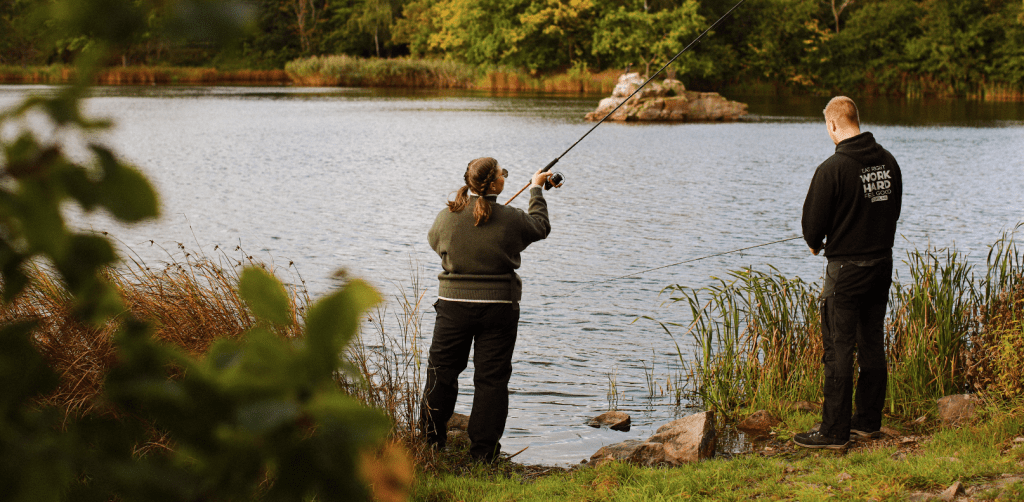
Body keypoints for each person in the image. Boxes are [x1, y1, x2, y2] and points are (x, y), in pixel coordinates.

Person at [419, 157, 555, 463]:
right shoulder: (511, 218)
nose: (504, 177)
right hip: (499, 308)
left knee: (442, 372)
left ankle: (430, 443)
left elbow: (434, 241)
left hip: (453, 307)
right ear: (495, 184)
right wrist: (536, 190)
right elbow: (541, 227)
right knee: (491, 379)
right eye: (502, 174)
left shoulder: (447, 216)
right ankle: (483, 454)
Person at [795, 96, 903, 449]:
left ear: (832, 125)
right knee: (872, 341)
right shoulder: (888, 161)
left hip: (846, 272)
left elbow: (812, 228)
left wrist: (815, 242)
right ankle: (868, 422)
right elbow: (893, 211)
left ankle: (834, 432)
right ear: (857, 118)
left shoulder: (832, 169)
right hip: (881, 265)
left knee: (839, 348)